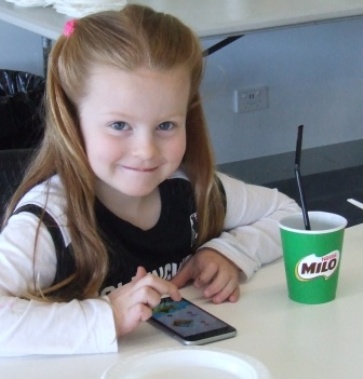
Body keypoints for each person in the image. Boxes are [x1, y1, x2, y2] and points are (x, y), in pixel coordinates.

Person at [0, 4, 299, 356]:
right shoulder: (51, 219)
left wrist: (229, 252)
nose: (146, 151)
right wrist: (107, 316)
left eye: (166, 126)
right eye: (119, 125)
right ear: (72, 120)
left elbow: (288, 215)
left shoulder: (188, 188)